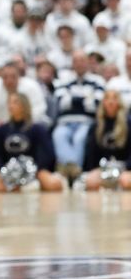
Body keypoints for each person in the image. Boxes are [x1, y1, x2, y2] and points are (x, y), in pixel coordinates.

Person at [0, 92, 64, 192]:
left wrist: (37, 170)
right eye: (9, 103)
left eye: (15, 102)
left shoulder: (37, 129)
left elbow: (48, 154)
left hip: (34, 172)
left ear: (24, 106)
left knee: (54, 184)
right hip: (7, 173)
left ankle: (23, 186)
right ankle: (22, 188)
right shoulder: (2, 130)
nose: (11, 105)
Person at [51, 50, 104, 181]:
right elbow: (61, 102)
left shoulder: (97, 80)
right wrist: (86, 98)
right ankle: (75, 171)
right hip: (64, 122)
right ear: (72, 64)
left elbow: (97, 103)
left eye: (82, 60)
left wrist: (72, 98)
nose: (79, 64)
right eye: (76, 61)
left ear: (87, 62)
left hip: (87, 122)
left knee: (80, 138)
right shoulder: (63, 80)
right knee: (58, 135)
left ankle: (69, 173)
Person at [81, 90, 131, 191]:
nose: (110, 102)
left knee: (126, 182)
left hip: (124, 168)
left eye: (114, 99)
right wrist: (93, 170)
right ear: (103, 103)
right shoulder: (96, 126)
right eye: (107, 98)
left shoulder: (128, 124)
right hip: (102, 168)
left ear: (119, 103)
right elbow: (90, 153)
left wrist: (127, 168)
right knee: (91, 182)